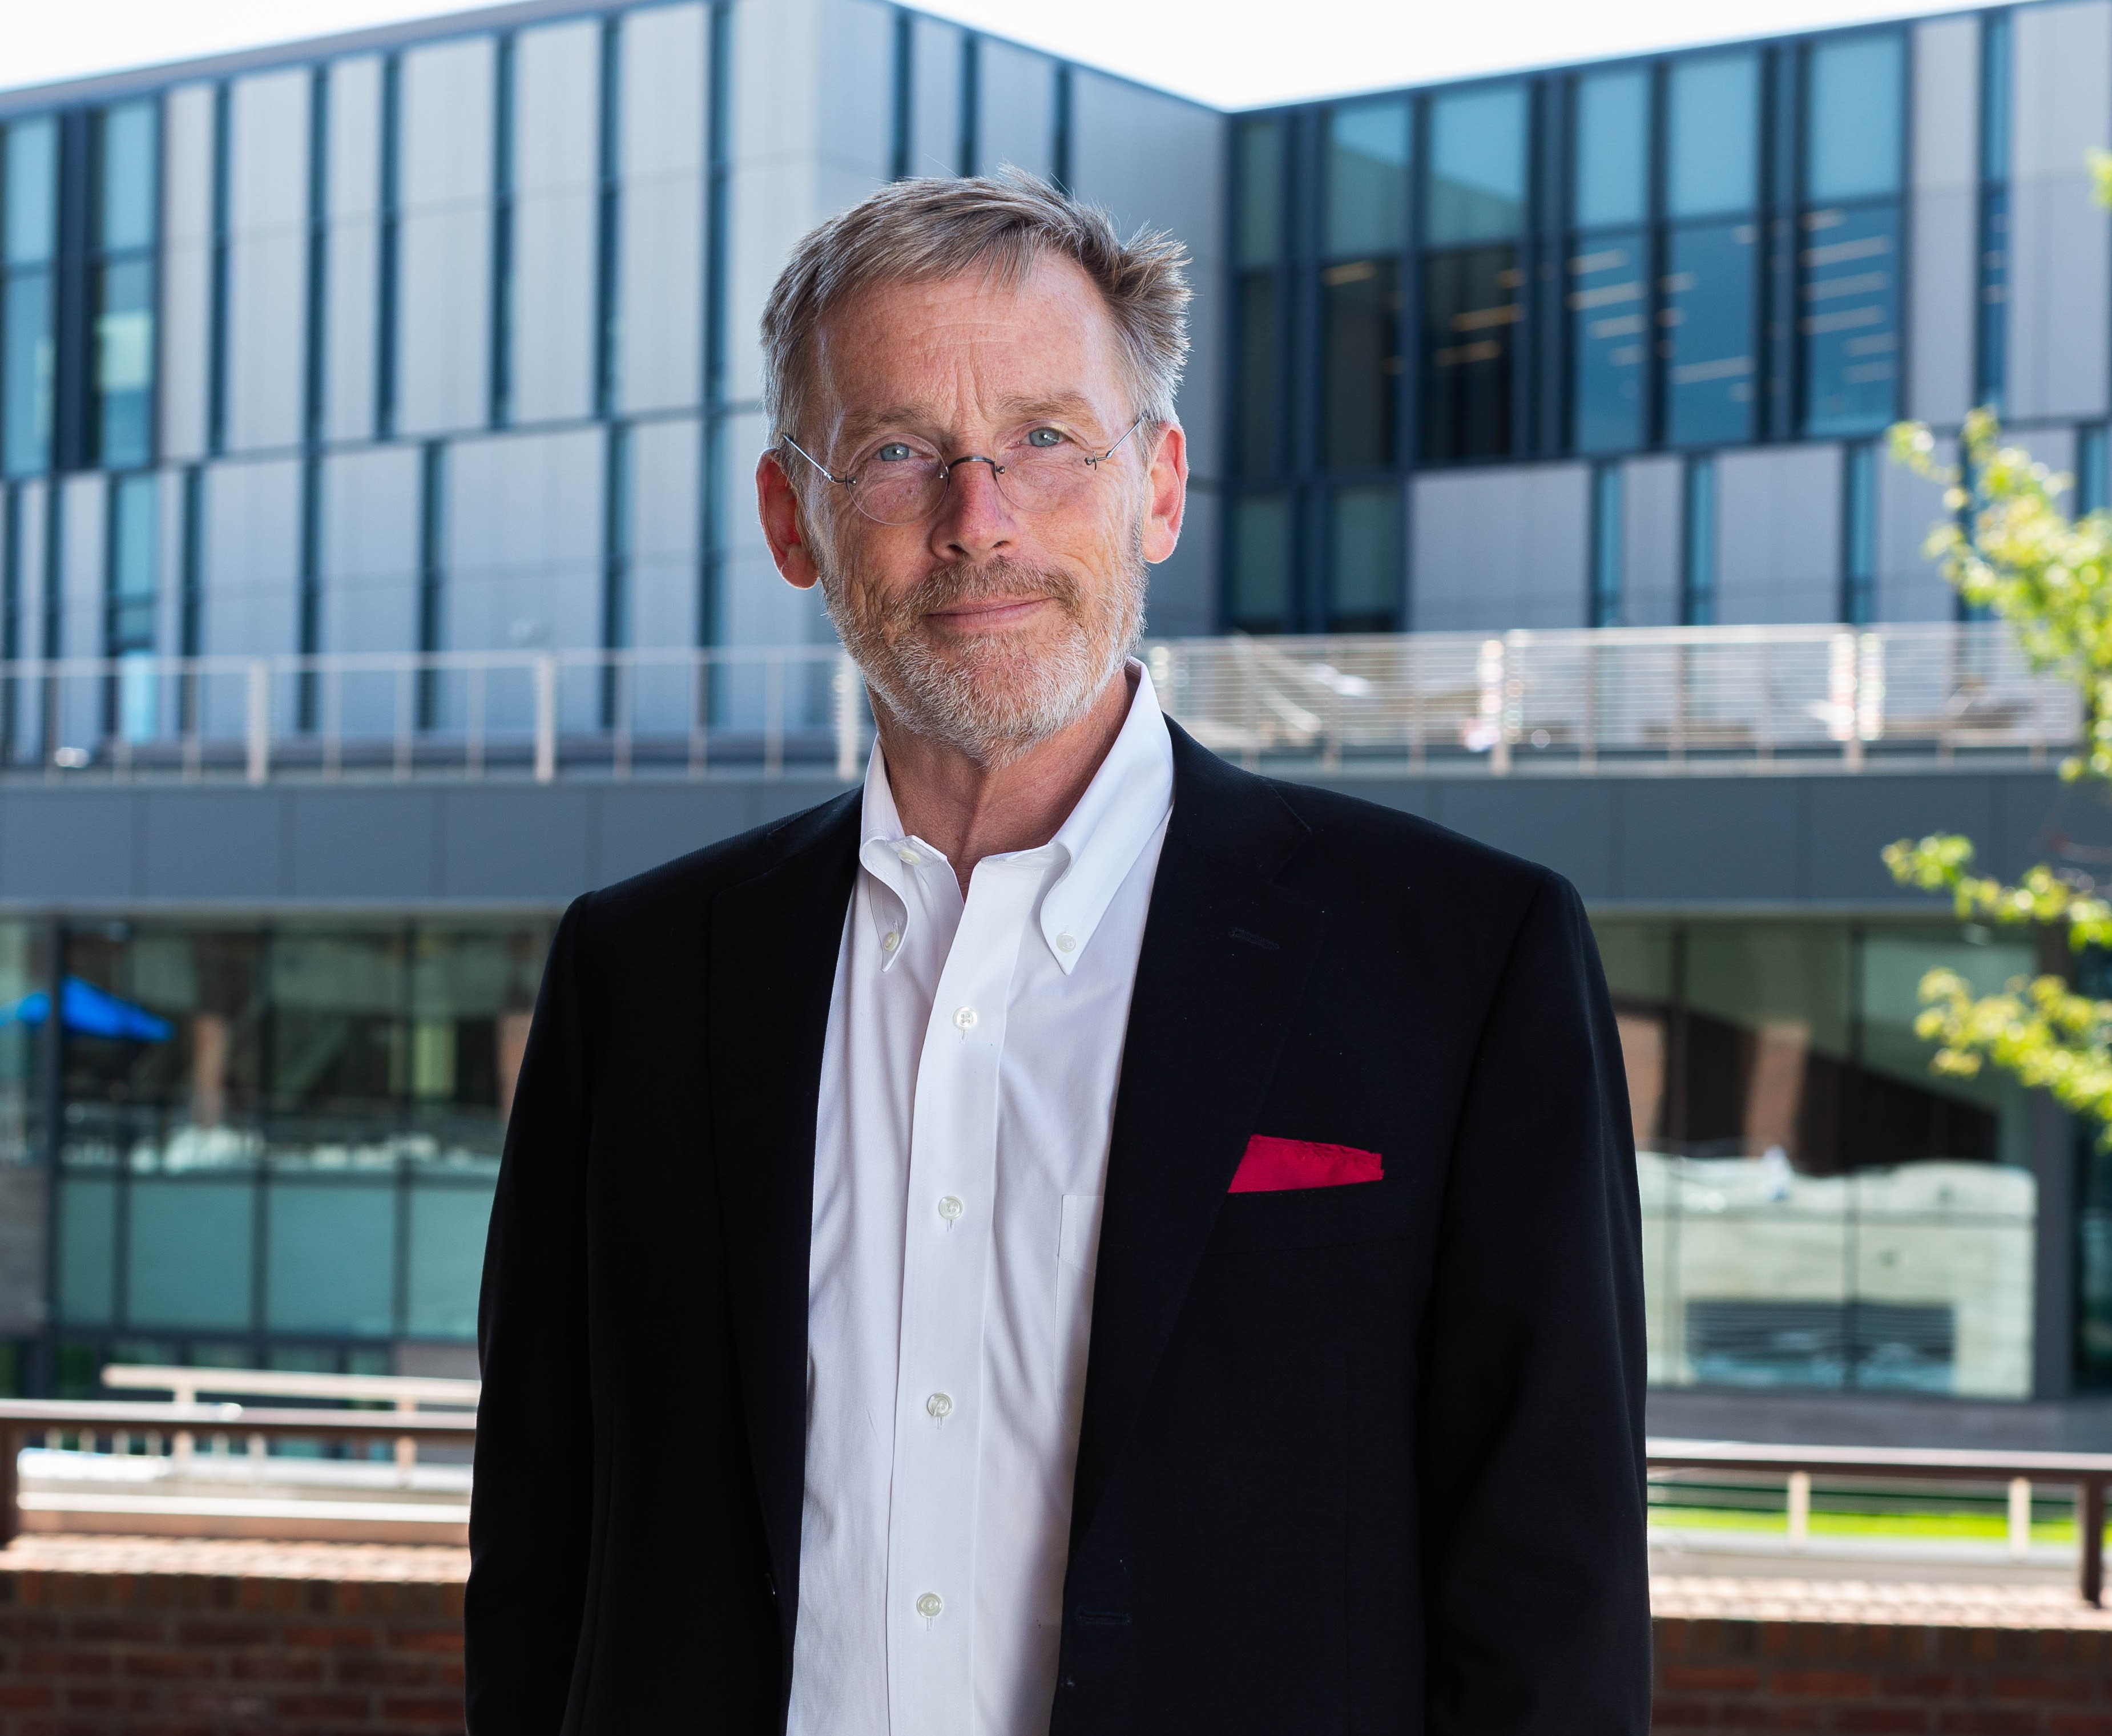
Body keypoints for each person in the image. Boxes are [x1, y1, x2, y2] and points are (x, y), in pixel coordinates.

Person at [465, 171, 1649, 1735]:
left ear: (1156, 485)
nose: (980, 521)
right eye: (897, 453)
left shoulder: (1463, 961)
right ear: (791, 520)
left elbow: (1550, 1605)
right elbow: (539, 1554)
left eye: (1045, 440)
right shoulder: (636, 973)